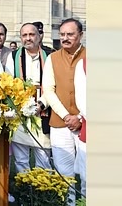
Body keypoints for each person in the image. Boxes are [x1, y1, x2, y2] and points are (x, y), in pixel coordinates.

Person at [42, 18, 86, 201]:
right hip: (61, 122)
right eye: (62, 35)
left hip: (86, 123)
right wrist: (67, 116)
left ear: (81, 35)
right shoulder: (52, 58)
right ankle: (69, 202)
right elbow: (49, 90)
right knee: (63, 170)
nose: (65, 38)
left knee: (88, 171)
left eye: (70, 34)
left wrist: (81, 117)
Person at [11, 23, 52, 173]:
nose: (28, 38)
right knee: (21, 159)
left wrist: (41, 104)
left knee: (43, 155)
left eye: (32, 34)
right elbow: (8, 83)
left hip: (43, 111)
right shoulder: (14, 56)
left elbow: (53, 86)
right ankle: (24, 191)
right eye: (24, 35)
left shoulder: (50, 55)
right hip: (20, 112)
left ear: (39, 36)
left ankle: (43, 192)